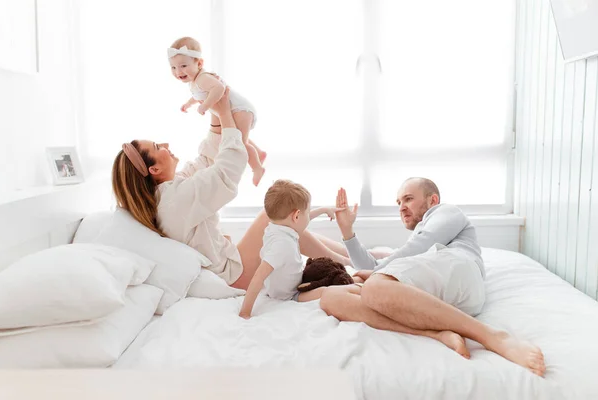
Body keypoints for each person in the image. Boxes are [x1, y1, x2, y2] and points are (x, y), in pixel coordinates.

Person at [111, 89, 352, 291]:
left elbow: (206, 160)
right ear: (153, 170)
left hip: (231, 265)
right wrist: (226, 114)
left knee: (287, 231)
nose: (165, 145)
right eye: (157, 147)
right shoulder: (173, 201)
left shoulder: (169, 193)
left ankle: (354, 255)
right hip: (234, 278)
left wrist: (217, 116)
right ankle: (348, 262)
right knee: (275, 215)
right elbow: (225, 171)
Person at [320, 179, 546, 377]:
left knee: (375, 287)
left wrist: (375, 276)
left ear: (433, 199)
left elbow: (417, 247)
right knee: (332, 297)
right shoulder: (416, 251)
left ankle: (493, 336)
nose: (402, 207)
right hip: (424, 301)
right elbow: (371, 269)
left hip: (458, 270)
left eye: (408, 199)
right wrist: (347, 232)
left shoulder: (447, 212)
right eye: (398, 203)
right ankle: (437, 333)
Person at [168, 36, 266, 186]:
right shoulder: (195, 81)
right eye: (173, 67)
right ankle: (258, 153)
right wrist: (189, 103)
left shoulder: (203, 78)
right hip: (237, 110)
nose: (178, 71)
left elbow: (218, 88)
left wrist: (205, 105)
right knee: (237, 136)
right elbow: (198, 94)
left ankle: (257, 168)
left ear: (199, 63)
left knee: (239, 142)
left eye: (183, 66)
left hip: (240, 109)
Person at [239, 180, 343, 319]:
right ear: (296, 216)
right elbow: (258, 278)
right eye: (307, 212)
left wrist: (324, 210)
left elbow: (303, 218)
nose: (308, 216)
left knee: (326, 270)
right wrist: (245, 312)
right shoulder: (281, 246)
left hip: (293, 280)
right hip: (291, 295)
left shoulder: (275, 227)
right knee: (327, 291)